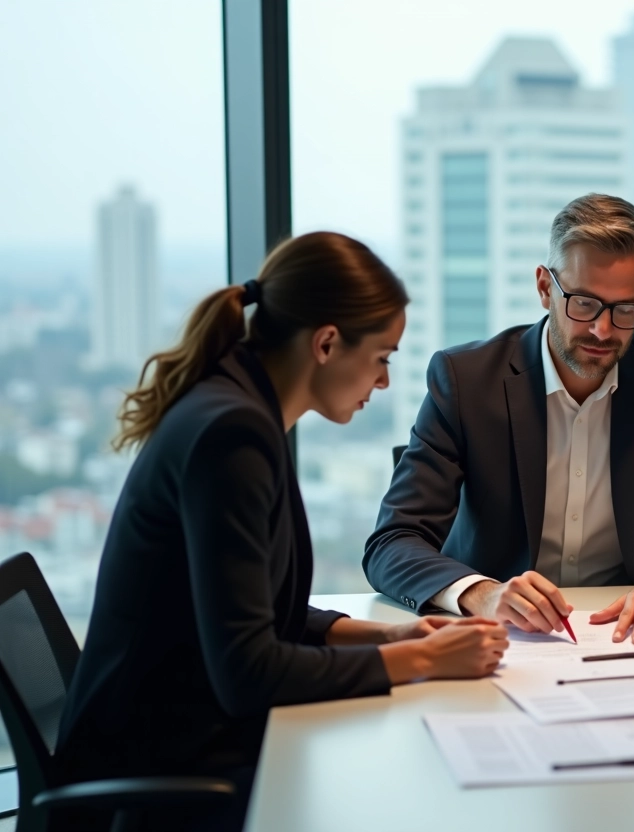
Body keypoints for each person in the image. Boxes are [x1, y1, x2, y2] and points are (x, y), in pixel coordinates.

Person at [55, 232, 508, 831]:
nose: (384, 383)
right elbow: (249, 671)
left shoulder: (241, 409)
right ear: (326, 343)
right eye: (382, 358)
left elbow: (259, 614)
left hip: (184, 739)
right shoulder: (231, 435)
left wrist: (387, 636)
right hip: (160, 778)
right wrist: (423, 659)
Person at [364, 194, 634, 644]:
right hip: (501, 638)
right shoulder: (467, 382)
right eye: (584, 304)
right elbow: (392, 542)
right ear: (545, 287)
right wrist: (484, 594)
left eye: (626, 309)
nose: (603, 330)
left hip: (630, 635)